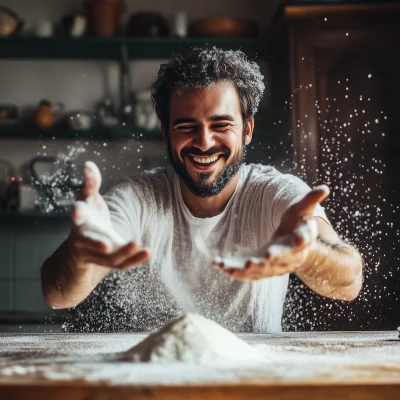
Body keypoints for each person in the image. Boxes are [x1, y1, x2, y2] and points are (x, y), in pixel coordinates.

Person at [41, 47, 363, 333]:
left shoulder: (274, 193)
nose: (204, 142)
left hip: (252, 383)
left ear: (247, 130)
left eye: (220, 125)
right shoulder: (137, 198)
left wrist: (309, 254)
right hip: (155, 385)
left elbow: (349, 283)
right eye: (186, 127)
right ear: (166, 135)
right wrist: (80, 252)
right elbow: (59, 295)